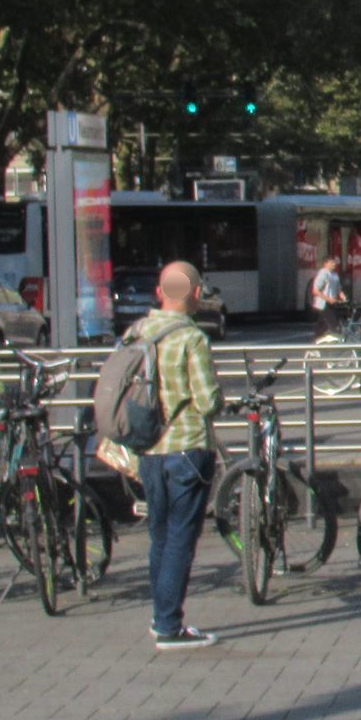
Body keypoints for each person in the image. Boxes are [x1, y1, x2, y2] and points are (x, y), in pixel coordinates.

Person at [139, 261, 223, 649]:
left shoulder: (137, 332)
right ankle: (169, 626)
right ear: (195, 294)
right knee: (180, 539)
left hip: (149, 448)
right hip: (187, 447)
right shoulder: (192, 338)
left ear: (160, 292)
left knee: (159, 535)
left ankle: (160, 615)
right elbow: (207, 401)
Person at [309, 253, 349, 337]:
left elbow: (338, 289)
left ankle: (315, 343)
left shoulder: (335, 275)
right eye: (331, 262)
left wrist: (343, 296)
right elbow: (315, 290)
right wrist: (328, 299)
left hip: (332, 304)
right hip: (323, 304)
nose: (334, 264)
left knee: (321, 328)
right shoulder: (323, 274)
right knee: (334, 326)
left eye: (334, 262)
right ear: (325, 263)